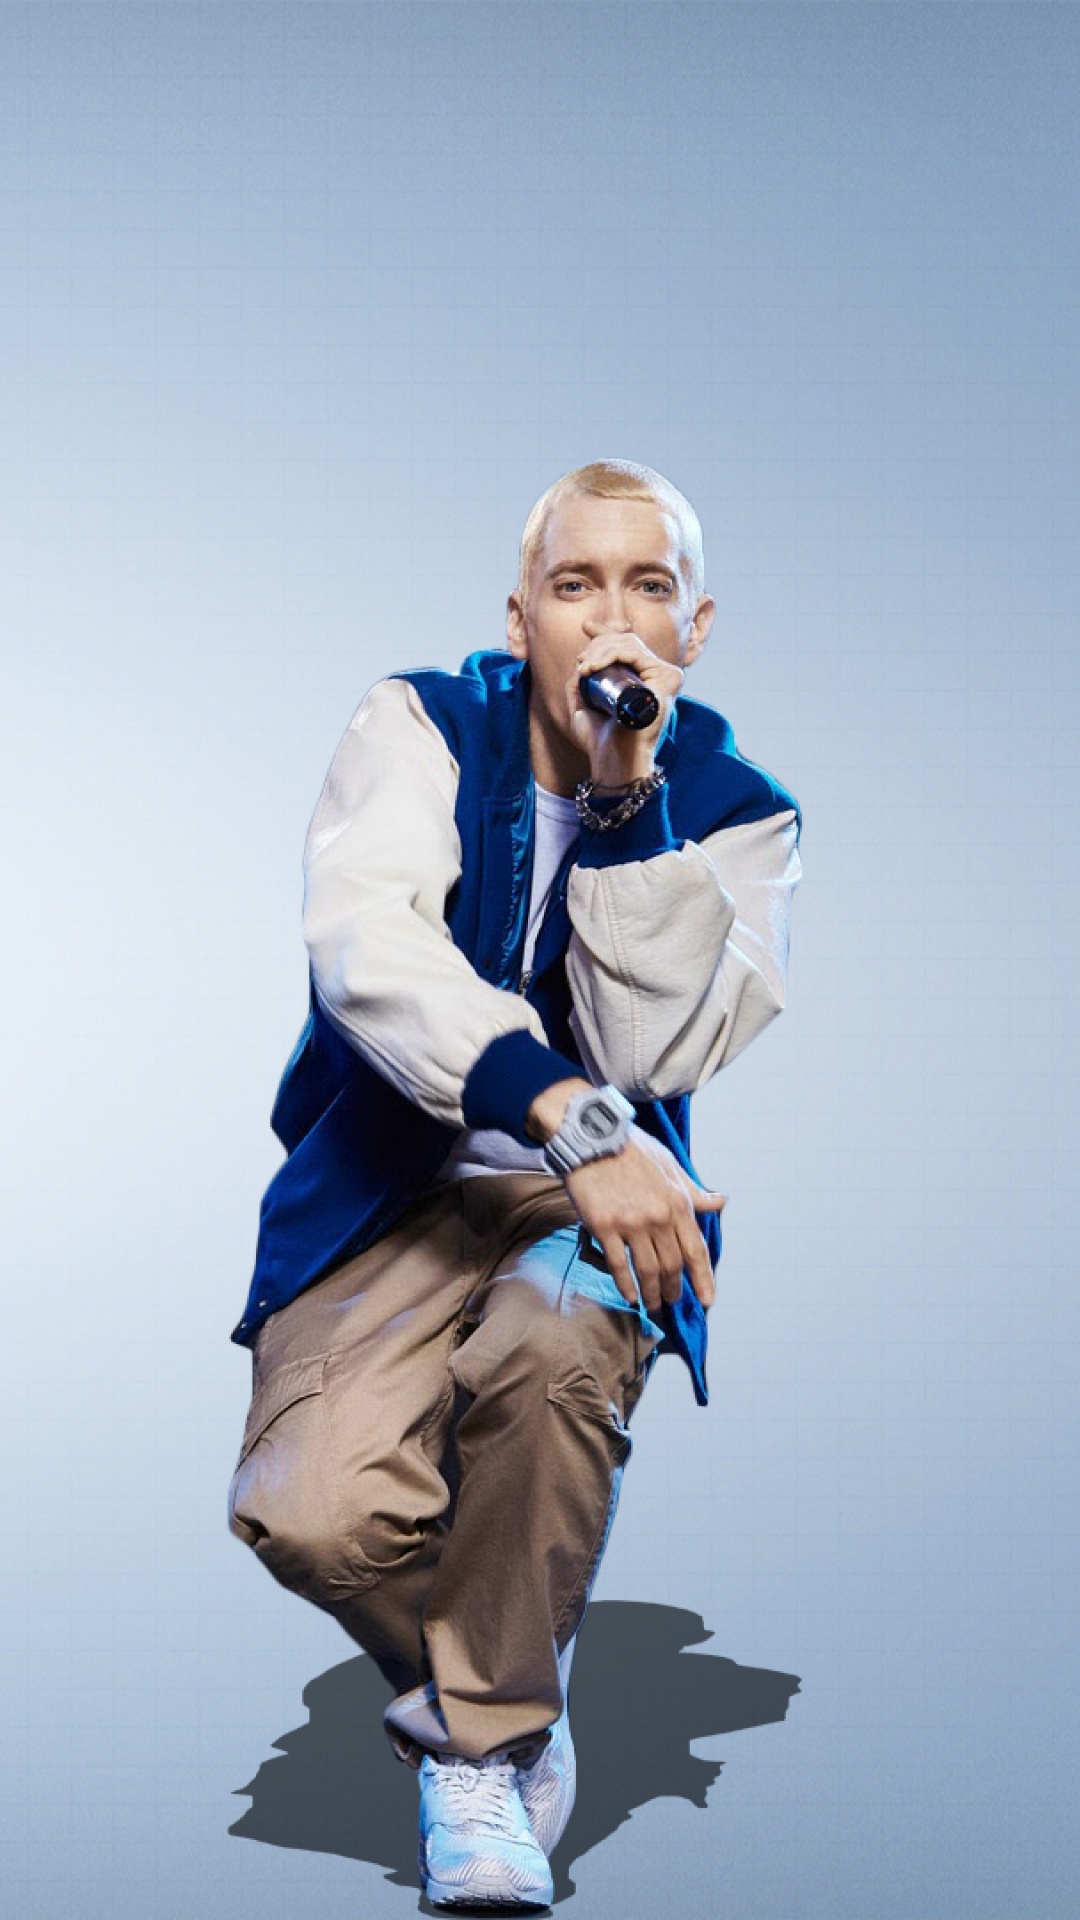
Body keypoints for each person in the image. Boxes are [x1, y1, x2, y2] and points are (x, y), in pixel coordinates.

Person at [227, 459, 802, 1910]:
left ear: (694, 627)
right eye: (574, 584)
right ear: (521, 616)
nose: (610, 619)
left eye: (648, 586)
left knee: (549, 1357)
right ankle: (514, 1649)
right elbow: (369, 954)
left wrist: (624, 802)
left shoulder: (744, 815)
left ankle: (484, 1750)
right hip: (394, 1185)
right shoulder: (419, 724)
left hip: (587, 1208)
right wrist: (570, 1117)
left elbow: (659, 1049)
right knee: (313, 1516)